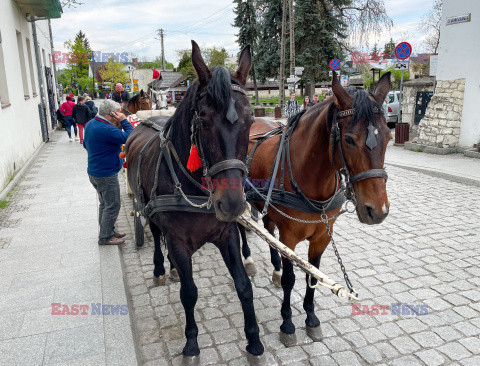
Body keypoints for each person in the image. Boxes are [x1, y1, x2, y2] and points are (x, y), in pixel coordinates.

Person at [83, 100, 133, 245]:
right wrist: (124, 121)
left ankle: (108, 231)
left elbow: (86, 145)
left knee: (105, 204)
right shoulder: (106, 129)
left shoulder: (91, 124)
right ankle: (105, 238)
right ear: (111, 113)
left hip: (94, 171)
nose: (120, 114)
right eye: (118, 112)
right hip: (106, 174)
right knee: (112, 205)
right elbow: (130, 137)